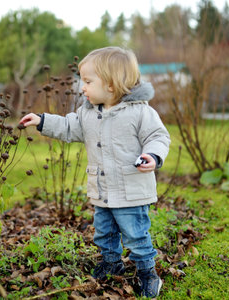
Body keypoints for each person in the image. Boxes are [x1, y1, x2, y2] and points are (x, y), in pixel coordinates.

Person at [19, 46, 170, 298]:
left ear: (110, 85)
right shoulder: (87, 114)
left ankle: (147, 274)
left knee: (135, 236)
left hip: (132, 192)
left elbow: (158, 136)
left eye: (88, 81)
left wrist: (152, 156)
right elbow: (68, 127)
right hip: (102, 191)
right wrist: (42, 121)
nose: (82, 88)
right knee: (104, 233)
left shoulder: (140, 112)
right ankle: (111, 264)